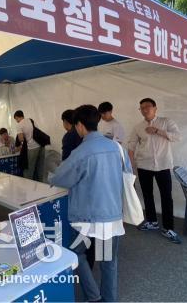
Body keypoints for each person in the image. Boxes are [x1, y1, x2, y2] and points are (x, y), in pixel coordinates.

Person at [50, 104, 128, 302]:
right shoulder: (117, 148)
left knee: (77, 253)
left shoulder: (81, 152)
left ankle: (93, 296)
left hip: (86, 218)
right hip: (111, 215)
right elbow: (129, 174)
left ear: (79, 125)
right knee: (108, 261)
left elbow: (60, 178)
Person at [128, 98, 182, 244]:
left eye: (147, 107)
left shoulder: (166, 122)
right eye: (142, 108)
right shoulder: (138, 127)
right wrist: (131, 165)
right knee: (147, 194)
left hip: (163, 165)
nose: (145, 110)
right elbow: (131, 145)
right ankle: (152, 221)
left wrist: (158, 131)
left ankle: (168, 228)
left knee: (166, 196)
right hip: (144, 165)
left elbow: (177, 136)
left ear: (155, 108)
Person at [13, 110, 44, 181]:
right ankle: (40, 186)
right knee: (39, 168)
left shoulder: (19, 124)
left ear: (17, 117)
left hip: (32, 147)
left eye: (16, 119)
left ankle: (28, 186)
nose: (16, 121)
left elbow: (21, 139)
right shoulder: (31, 120)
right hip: (41, 145)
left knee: (29, 169)